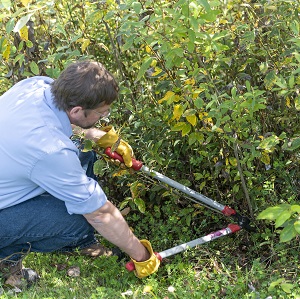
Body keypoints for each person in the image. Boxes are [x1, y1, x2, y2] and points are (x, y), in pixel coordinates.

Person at [0, 60, 160, 287]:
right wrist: (142, 256)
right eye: (101, 113)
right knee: (81, 219)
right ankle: (6, 259)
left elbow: (60, 121)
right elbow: (99, 213)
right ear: (76, 110)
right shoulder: (50, 150)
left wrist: (96, 135)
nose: (104, 117)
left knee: (84, 153)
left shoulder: (36, 86)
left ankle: (82, 241)